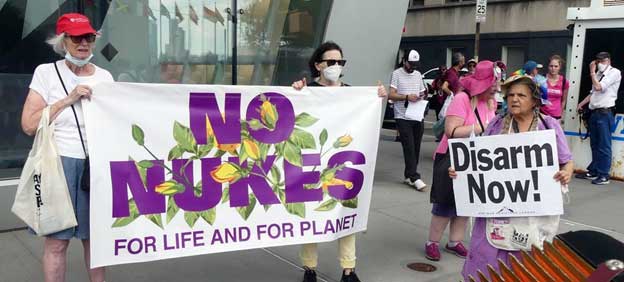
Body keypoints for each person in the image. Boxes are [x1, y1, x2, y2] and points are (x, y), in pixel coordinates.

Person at [20, 13, 113, 282]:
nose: (84, 43)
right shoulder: (46, 73)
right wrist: (68, 100)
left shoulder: (105, 77)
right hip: (57, 165)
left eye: (89, 37)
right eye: (76, 37)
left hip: (94, 167)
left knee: (96, 242)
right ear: (63, 41)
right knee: (56, 243)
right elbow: (28, 124)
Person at [459, 75, 574, 280]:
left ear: (535, 100)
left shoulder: (548, 126)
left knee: (523, 262)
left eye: (521, 95)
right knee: (486, 261)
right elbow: (477, 161)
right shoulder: (497, 124)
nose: (514, 99)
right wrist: (461, 172)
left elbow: (567, 161)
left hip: (532, 211)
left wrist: (566, 173)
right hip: (496, 208)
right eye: (511, 94)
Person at [291, 41, 387, 282]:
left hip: (343, 163)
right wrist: (295, 91)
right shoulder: (307, 90)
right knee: (311, 215)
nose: (336, 66)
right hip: (313, 163)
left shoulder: (353, 93)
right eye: (330, 62)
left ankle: (348, 270)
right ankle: (309, 268)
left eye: (340, 62)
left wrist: (377, 98)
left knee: (346, 212)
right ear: (318, 65)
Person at [425, 60, 500, 261]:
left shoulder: (490, 102)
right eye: (492, 87)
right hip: (451, 157)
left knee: (465, 204)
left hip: (475, 159)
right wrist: (482, 128)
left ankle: (454, 241)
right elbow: (451, 131)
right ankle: (432, 242)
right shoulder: (462, 99)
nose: (496, 91)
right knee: (445, 204)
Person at [576, 52, 622, 185]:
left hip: (605, 112)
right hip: (594, 112)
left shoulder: (614, 72)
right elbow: (593, 93)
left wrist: (591, 72)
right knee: (595, 144)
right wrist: (581, 104)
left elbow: (599, 87)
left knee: (604, 145)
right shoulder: (598, 74)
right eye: (598, 61)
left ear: (608, 60)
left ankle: (604, 174)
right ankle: (594, 170)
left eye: (602, 61)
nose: (600, 63)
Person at [388, 50, 428, 191]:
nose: (413, 67)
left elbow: (422, 91)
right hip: (402, 116)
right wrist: (406, 97)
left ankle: (408, 175)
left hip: (417, 114)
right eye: (411, 64)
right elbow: (391, 94)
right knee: (409, 146)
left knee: (416, 147)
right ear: (405, 61)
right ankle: (414, 176)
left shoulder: (417, 75)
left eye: (415, 65)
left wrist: (422, 96)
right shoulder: (397, 74)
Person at [541, 55, 570, 119]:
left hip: (556, 116)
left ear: (560, 67)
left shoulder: (564, 81)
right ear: (548, 66)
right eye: (551, 66)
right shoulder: (541, 79)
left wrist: (561, 113)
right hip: (542, 114)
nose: (553, 68)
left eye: (556, 66)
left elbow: (564, 100)